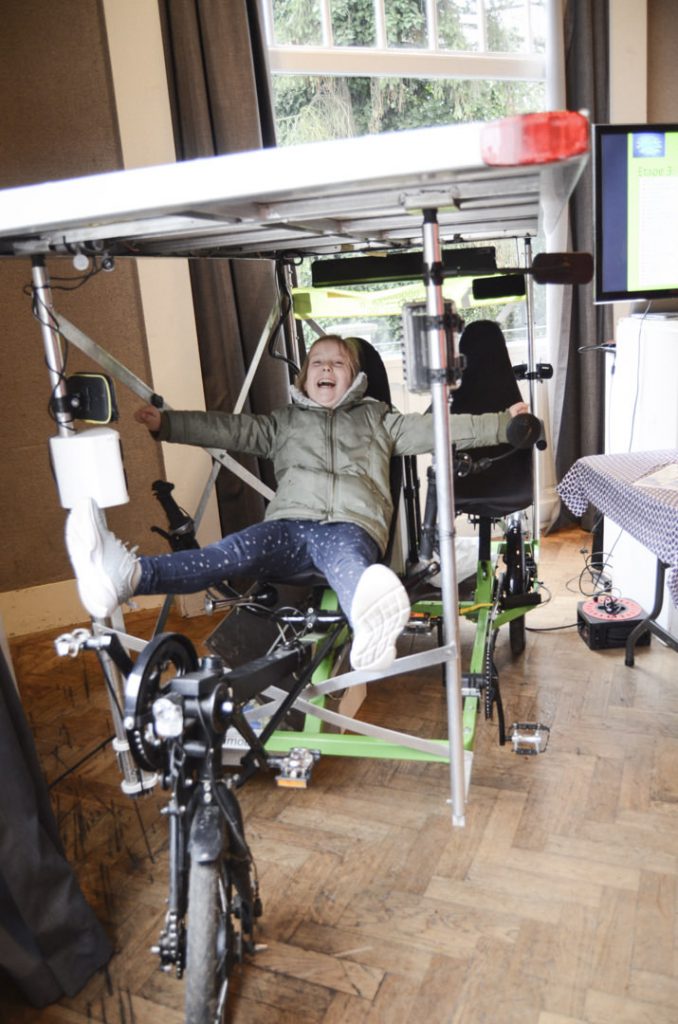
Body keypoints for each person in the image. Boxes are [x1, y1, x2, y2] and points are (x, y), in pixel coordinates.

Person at [65, 335, 528, 673]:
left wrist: (503, 424)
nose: (327, 368)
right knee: (228, 552)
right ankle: (127, 577)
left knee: (351, 567)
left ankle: (370, 626)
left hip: (350, 526)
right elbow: (228, 429)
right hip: (286, 527)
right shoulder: (282, 423)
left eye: (338, 363)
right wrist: (168, 424)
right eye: (318, 362)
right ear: (304, 377)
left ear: (355, 378)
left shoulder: (379, 419)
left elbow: (440, 429)